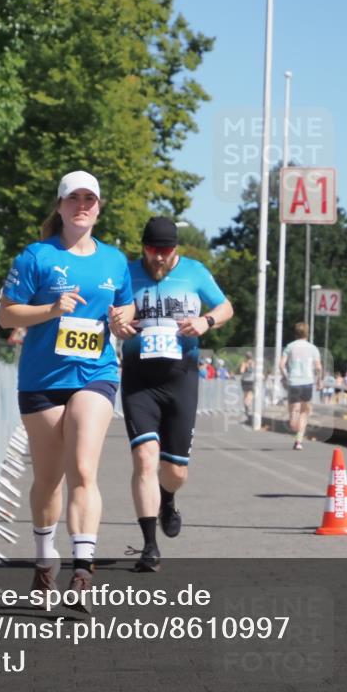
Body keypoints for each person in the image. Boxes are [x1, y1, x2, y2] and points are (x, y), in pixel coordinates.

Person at [0, 170, 136, 606]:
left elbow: (126, 304)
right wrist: (50, 308)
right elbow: (6, 316)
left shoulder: (114, 260)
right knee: (48, 478)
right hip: (42, 380)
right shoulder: (35, 256)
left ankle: (82, 570)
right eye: (73, 199)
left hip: (95, 373)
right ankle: (43, 560)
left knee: (83, 468)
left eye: (89, 200)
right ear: (59, 206)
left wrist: (121, 322)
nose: (82, 206)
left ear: (99, 208)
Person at [119, 216, 234, 571]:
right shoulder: (127, 273)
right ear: (143, 247)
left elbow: (225, 306)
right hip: (139, 379)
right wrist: (117, 323)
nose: (158, 258)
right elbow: (112, 312)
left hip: (181, 378)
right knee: (144, 459)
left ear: (175, 251)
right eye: (153, 250)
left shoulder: (195, 272)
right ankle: (149, 546)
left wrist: (206, 322)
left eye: (165, 252)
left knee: (176, 472)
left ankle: (167, 498)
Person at [280, 322, 322, 450]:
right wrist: (319, 380)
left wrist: (286, 377)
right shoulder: (313, 348)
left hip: (294, 381)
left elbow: (281, 365)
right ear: (307, 333)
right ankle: (299, 440)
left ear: (295, 333)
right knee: (304, 412)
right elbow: (318, 367)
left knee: (294, 412)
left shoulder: (289, 347)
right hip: (307, 382)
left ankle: (294, 424)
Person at [239, 351, 256, 419]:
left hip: (244, 380)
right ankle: (247, 405)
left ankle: (246, 406)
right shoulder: (253, 363)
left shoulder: (244, 363)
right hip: (250, 380)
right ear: (251, 356)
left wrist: (245, 367)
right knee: (250, 395)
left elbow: (241, 371)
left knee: (246, 395)